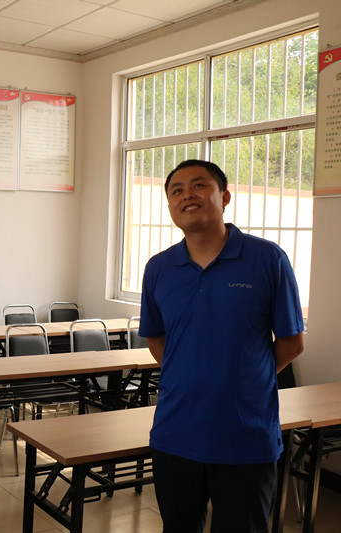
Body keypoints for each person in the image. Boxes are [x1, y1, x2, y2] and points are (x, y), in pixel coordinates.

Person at [138, 159, 305, 532]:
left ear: (225, 197)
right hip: (175, 434)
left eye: (199, 185)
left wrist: (245, 377)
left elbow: (292, 343)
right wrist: (187, 373)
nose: (187, 195)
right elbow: (155, 336)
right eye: (177, 190)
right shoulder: (159, 268)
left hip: (246, 436)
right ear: (170, 205)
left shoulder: (267, 259)